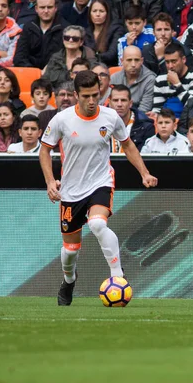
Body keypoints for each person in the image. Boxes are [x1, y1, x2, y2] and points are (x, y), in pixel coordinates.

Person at [40, 70, 158, 306]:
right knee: (71, 250)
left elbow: (128, 146)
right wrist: (50, 181)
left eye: (96, 95)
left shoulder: (111, 117)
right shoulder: (62, 120)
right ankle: (69, 280)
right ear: (76, 95)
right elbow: (44, 150)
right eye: (86, 96)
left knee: (96, 223)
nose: (92, 101)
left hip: (100, 182)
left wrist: (144, 173)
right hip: (71, 191)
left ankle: (118, 275)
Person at [14, 0, 67, 69]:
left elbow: (66, 59)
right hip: (30, 73)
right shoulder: (28, 27)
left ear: (55, 8)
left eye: (49, 7)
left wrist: (48, 72)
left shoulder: (65, 29)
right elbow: (19, 57)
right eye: (42, 7)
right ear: (36, 9)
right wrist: (35, 72)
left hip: (55, 75)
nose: (46, 11)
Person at [151, 43, 193, 119]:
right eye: (167, 62)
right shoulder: (160, 79)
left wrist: (177, 84)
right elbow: (157, 108)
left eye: (174, 61)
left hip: (189, 120)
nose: (170, 66)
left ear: (183, 59)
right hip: (167, 122)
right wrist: (154, 115)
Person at [107, 84, 155, 152]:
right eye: (115, 100)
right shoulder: (101, 124)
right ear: (109, 103)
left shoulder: (146, 127)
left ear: (130, 103)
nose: (119, 104)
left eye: (123, 100)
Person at [110, 45, 156, 113]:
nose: (133, 64)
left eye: (136, 60)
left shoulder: (150, 79)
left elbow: (144, 109)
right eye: (129, 60)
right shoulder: (114, 78)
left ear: (142, 61)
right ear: (122, 61)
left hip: (138, 119)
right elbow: (109, 104)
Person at [84, 0, 125, 67]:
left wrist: (93, 57)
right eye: (94, 11)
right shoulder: (86, 32)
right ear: (89, 13)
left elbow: (111, 54)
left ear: (107, 14)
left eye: (101, 11)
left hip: (109, 68)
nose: (97, 14)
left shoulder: (116, 29)